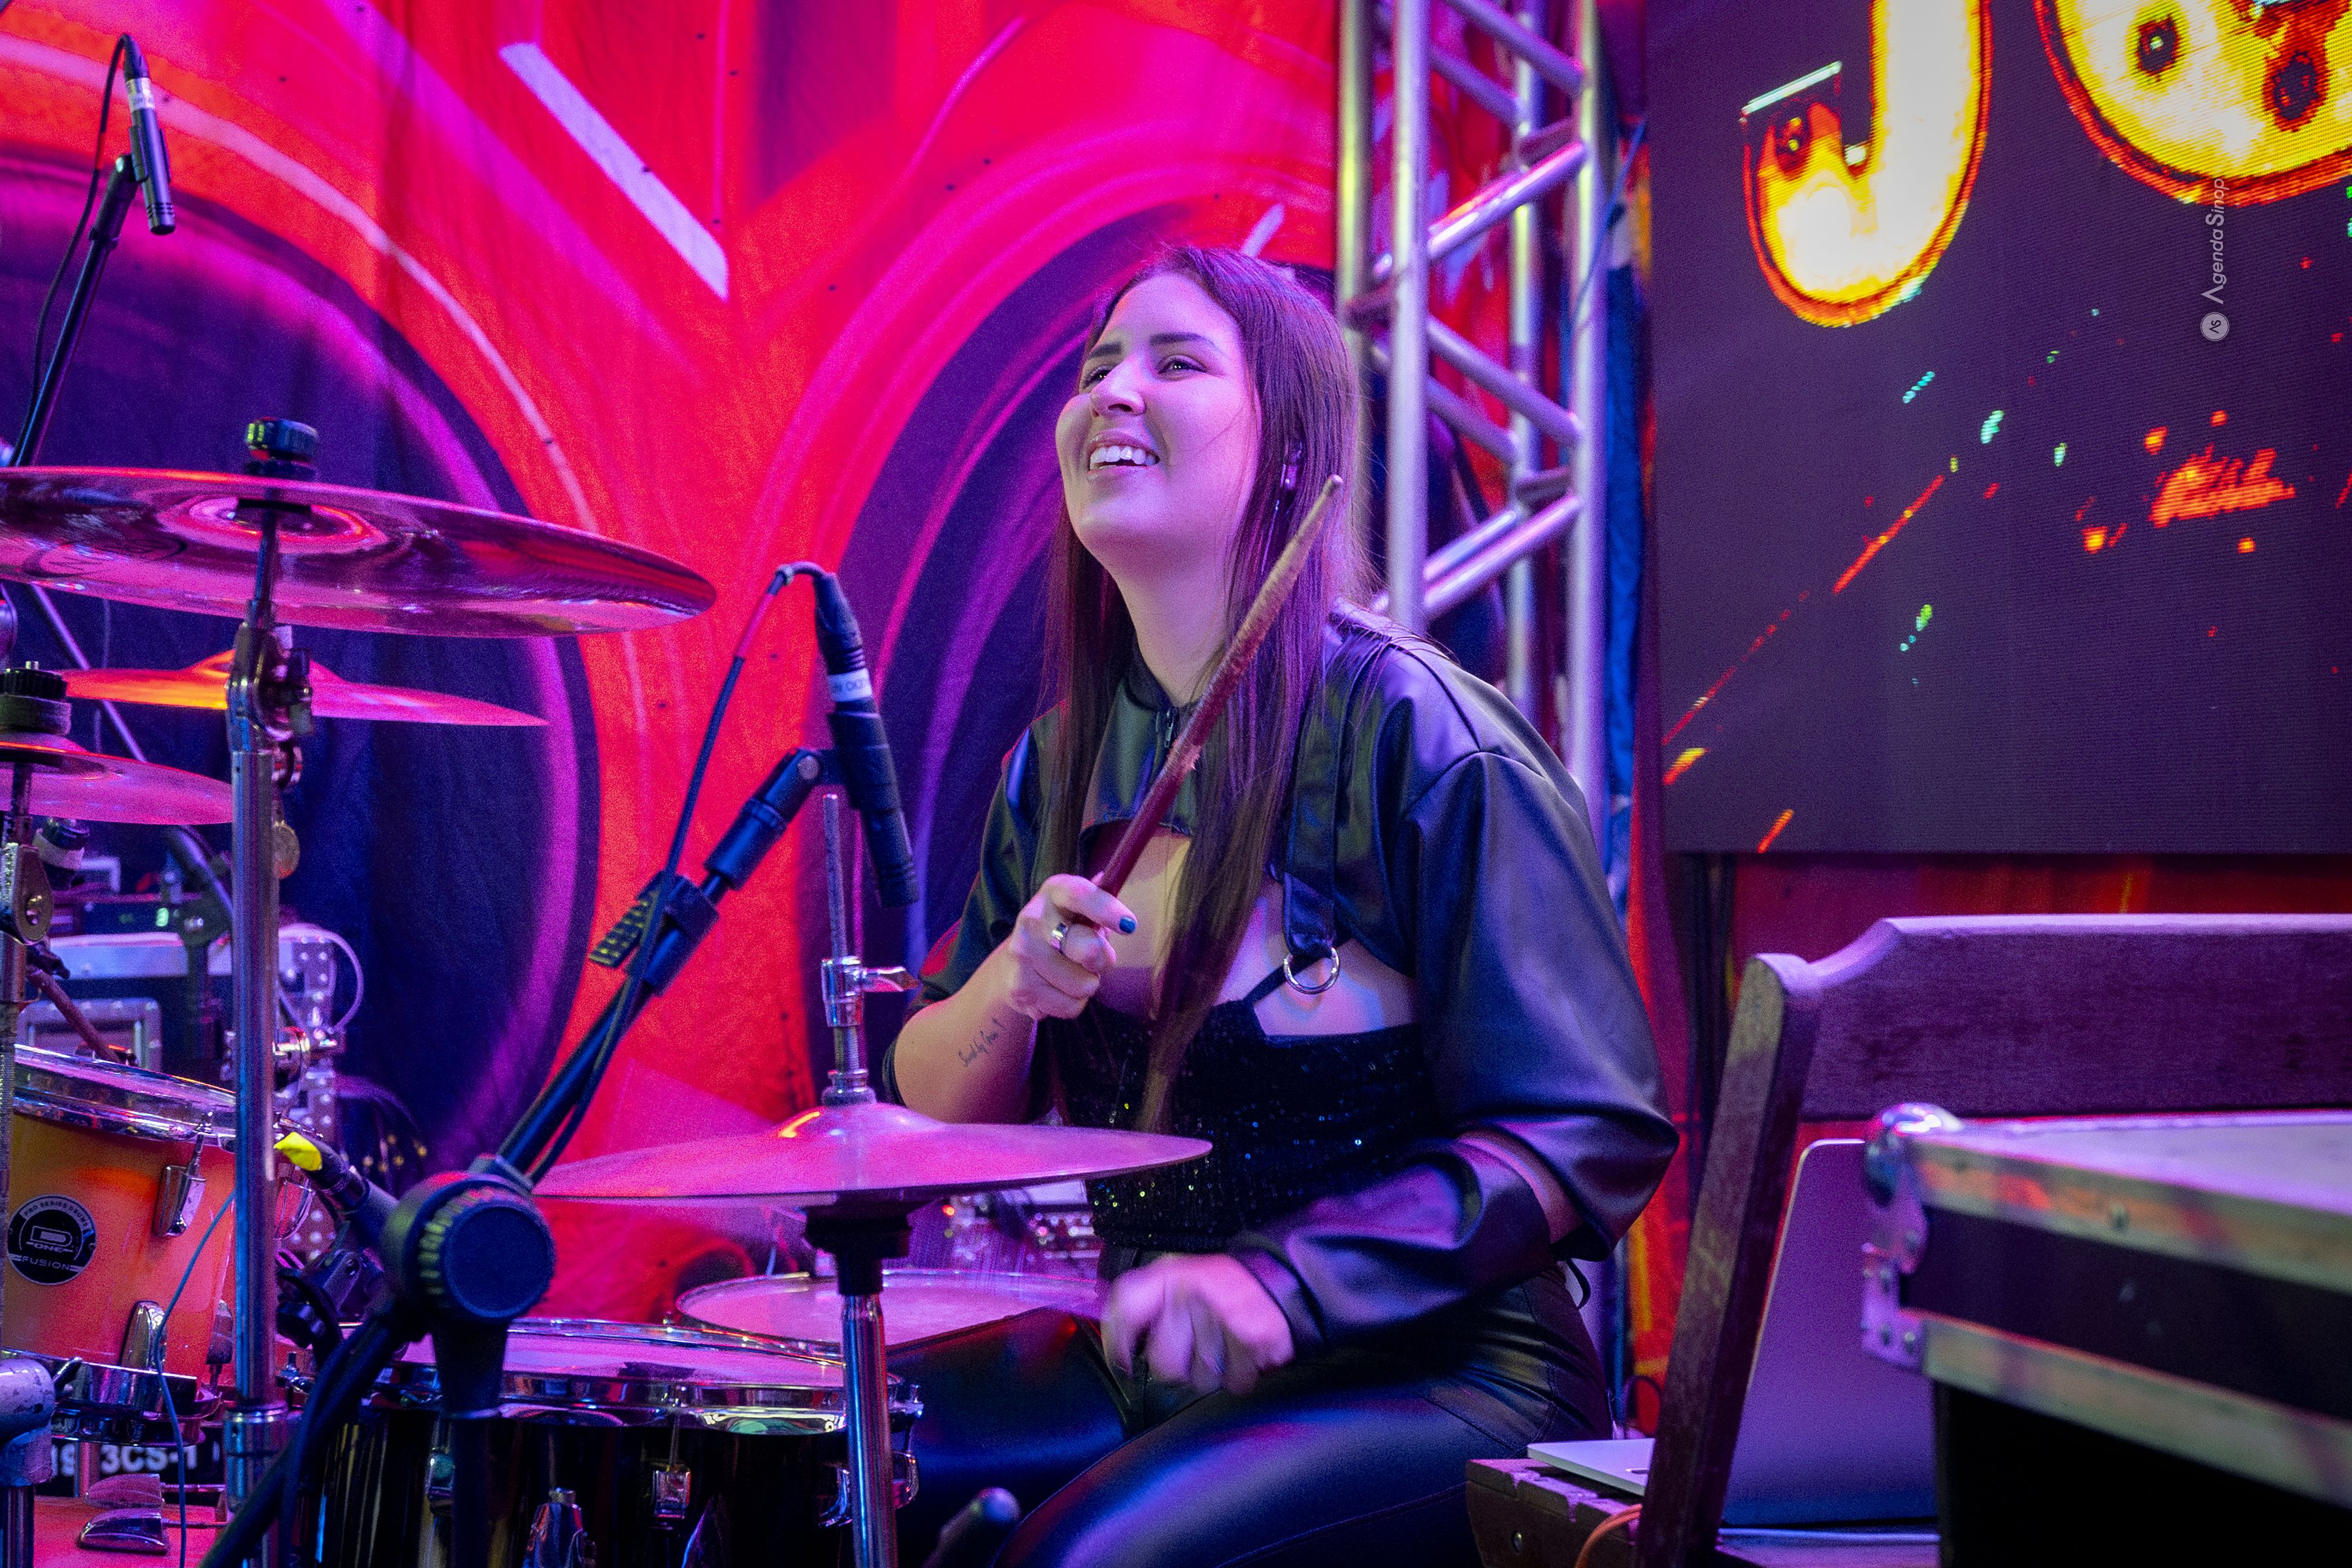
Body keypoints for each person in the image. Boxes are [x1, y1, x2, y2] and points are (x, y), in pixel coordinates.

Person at [881, 244, 1674, 1567]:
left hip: (1438, 1374)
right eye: (1098, 366)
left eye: (1176, 362)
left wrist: (1282, 1280)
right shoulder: (1056, 761)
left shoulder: (1422, 734)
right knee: (851, 1469)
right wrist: (1013, 987)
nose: (1112, 391)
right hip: (1152, 1358)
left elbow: (1589, 1125)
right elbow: (933, 1103)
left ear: (1293, 450)